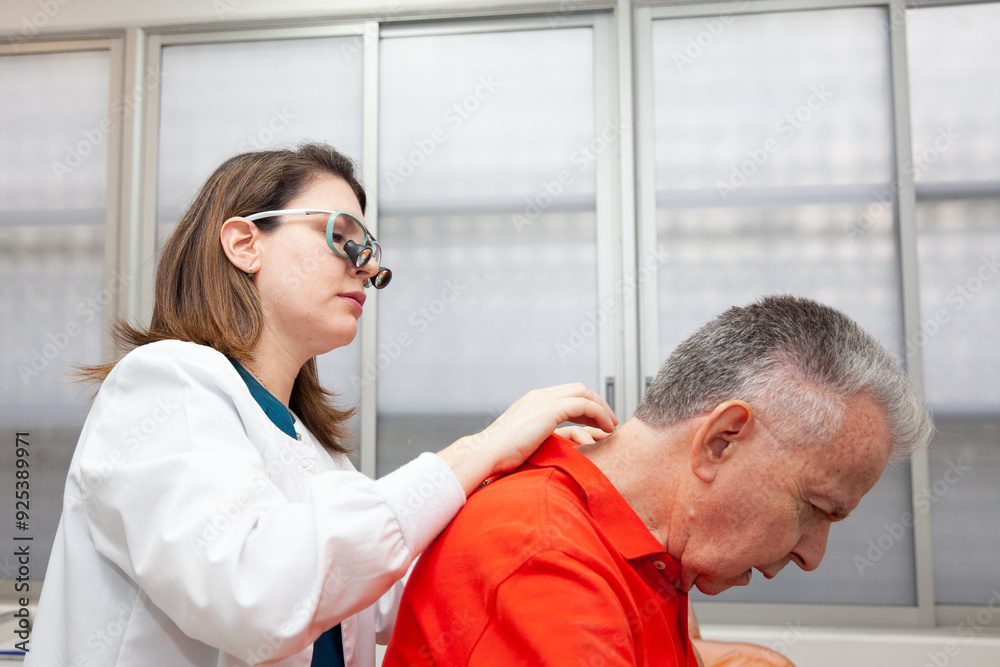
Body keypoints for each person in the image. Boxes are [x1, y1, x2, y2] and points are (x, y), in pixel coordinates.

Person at [26, 143, 617, 667]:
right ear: (245, 244)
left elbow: (390, 585)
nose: (371, 267)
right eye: (342, 237)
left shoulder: (315, 453)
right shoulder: (164, 382)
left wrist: (522, 479)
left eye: (369, 249)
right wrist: (480, 449)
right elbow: (253, 592)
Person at [383, 295, 934, 667]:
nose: (813, 556)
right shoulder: (544, 555)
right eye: (816, 507)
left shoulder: (654, 554)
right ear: (721, 441)